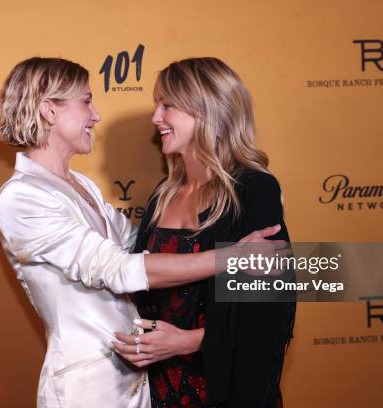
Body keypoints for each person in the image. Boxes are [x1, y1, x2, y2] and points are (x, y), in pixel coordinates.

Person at [0, 57, 286, 408]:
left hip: (163, 384)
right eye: (86, 101)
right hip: (94, 389)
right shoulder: (22, 196)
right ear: (49, 111)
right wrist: (231, 258)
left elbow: (271, 304)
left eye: (167, 105)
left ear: (205, 110)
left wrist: (194, 340)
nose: (96, 114)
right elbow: (120, 268)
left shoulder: (82, 184)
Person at [112, 57, 296, 408]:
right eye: (156, 105)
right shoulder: (162, 195)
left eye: (167, 105)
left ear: (207, 111)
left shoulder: (253, 190)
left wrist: (187, 342)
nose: (155, 118)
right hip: (159, 389)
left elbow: (267, 315)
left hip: (224, 390)